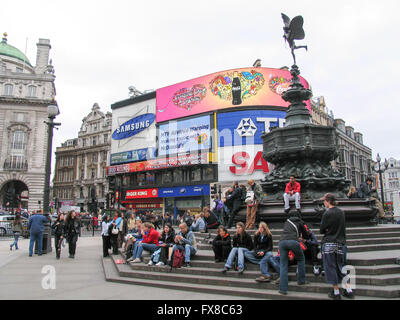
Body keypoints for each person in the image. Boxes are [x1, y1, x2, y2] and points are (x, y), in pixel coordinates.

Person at [320, 193, 353, 299]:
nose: (323, 203)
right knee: (341, 267)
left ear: (328, 201)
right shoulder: (341, 212)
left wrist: (327, 229)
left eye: (324, 201)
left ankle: (336, 292)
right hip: (340, 243)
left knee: (330, 268)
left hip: (329, 242)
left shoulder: (327, 213)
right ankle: (348, 290)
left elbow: (322, 229)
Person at [278, 211, 309, 295]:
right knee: (301, 259)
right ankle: (301, 280)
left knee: (283, 265)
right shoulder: (300, 221)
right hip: (293, 241)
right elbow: (306, 235)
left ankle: (283, 289)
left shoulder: (287, 221)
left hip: (282, 242)